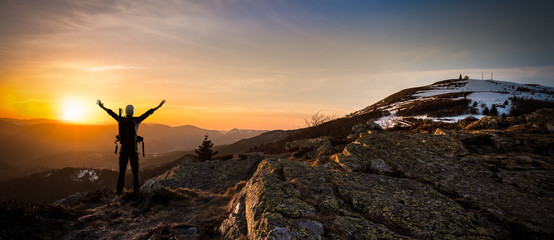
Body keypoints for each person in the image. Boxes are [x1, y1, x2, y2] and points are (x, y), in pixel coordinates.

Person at [97, 99, 165, 194]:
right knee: (135, 172)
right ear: (133, 112)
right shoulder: (136, 120)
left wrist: (102, 106)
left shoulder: (121, 120)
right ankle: (136, 192)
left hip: (123, 150)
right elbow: (148, 113)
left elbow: (111, 113)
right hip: (134, 150)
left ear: (125, 111)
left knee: (121, 173)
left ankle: (119, 193)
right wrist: (158, 106)